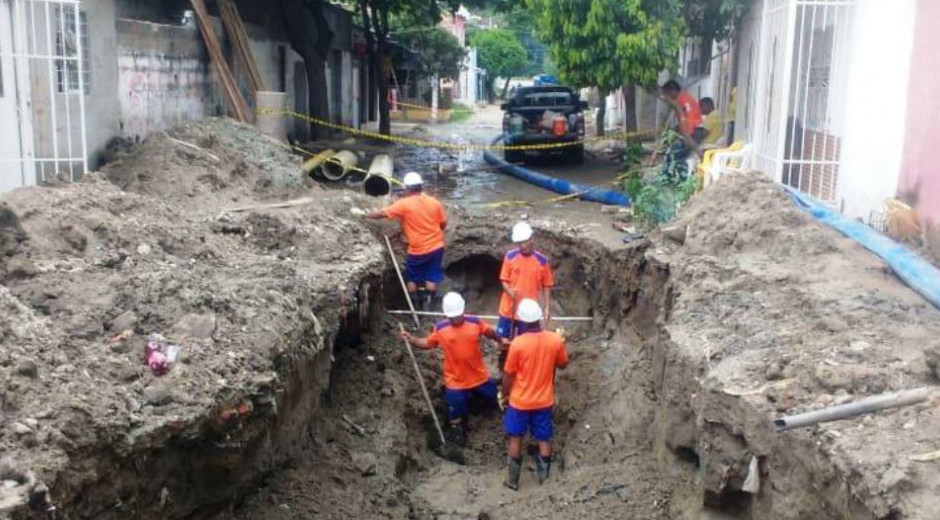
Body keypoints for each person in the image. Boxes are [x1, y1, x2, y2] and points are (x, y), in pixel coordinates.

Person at [400, 292, 501, 447]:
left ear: (463, 310)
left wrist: (500, 339)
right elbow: (428, 343)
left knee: (492, 395)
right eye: (451, 317)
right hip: (455, 380)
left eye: (457, 316)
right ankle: (457, 429)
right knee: (455, 408)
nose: (455, 319)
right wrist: (412, 339)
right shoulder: (441, 328)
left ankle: (482, 409)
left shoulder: (475, 322)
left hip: (478, 375)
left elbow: (490, 332)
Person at [501, 298, 569, 490]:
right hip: (543, 401)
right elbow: (563, 364)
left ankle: (512, 481)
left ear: (521, 320)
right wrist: (561, 346)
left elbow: (508, 375)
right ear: (539, 318)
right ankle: (545, 481)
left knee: (516, 438)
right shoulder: (554, 340)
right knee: (543, 439)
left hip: (519, 401)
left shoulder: (518, 344)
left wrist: (504, 393)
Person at [368, 172, 447, 310]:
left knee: (412, 278)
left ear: (407, 188)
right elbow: (443, 223)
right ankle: (427, 307)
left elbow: (382, 214)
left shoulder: (404, 204)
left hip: (418, 250)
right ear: (421, 186)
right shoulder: (434, 202)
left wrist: (365, 214)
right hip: (437, 247)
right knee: (431, 277)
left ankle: (416, 307)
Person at [496, 222, 555, 352]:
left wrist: (546, 308)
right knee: (504, 342)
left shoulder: (542, 261)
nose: (521, 246)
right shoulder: (510, 257)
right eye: (519, 243)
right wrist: (510, 291)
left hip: (528, 312)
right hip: (508, 308)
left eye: (523, 242)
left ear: (531, 239)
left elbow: (547, 285)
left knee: (526, 345)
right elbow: (503, 280)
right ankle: (505, 364)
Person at [660, 79, 704, 148]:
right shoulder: (684, 97)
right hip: (695, 129)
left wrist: (687, 135)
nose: (667, 97)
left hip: (694, 131)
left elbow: (690, 116)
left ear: (672, 91)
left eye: (667, 94)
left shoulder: (682, 100)